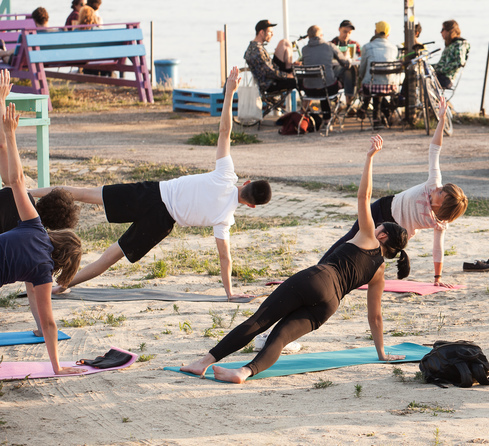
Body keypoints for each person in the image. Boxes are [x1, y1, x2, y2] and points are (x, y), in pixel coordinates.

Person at [181, 134, 410, 383]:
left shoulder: (368, 236)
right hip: (329, 305)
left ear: (383, 234)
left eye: (379, 227)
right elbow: (374, 317)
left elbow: (363, 197)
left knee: (260, 321)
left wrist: (369, 158)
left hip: (318, 278)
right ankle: (244, 372)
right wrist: (381, 353)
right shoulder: (379, 272)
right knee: (280, 338)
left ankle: (203, 363)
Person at [33, 67, 272, 301]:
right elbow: (224, 257)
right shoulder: (225, 219)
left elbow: (224, 132)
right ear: (251, 206)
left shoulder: (227, 174)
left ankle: (28, 194)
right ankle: (62, 285)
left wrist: (229, 92)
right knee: (110, 256)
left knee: (83, 193)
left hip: (152, 193)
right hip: (161, 223)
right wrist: (230, 292)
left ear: (247, 182)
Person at [321, 97, 466, 287]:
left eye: (441, 194)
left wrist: (437, 278)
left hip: (394, 232)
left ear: (443, 206)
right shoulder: (433, 183)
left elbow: (438, 248)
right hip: (383, 209)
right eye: (441, 188)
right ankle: (321, 268)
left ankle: (345, 275)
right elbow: (434, 150)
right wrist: (441, 120)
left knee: (369, 253)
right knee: (352, 238)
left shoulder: (439, 223)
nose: (438, 189)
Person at [0, 71, 84, 375]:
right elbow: (48, 323)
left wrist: (10, 130)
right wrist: (57, 366)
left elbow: (16, 181)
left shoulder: (35, 226)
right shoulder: (43, 273)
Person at [299, 25, 349, 121]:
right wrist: (346, 57)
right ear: (321, 35)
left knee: (322, 81)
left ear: (309, 36)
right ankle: (331, 116)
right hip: (328, 89)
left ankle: (325, 119)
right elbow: (345, 64)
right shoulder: (329, 46)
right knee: (329, 81)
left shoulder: (304, 49)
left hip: (309, 90)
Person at [357, 21, 401, 128]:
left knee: (371, 83)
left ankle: (369, 111)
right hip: (390, 87)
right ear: (388, 35)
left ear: (375, 32)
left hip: (371, 87)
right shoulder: (394, 48)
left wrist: (361, 79)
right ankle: (377, 118)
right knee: (379, 84)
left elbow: (362, 69)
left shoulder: (367, 47)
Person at [243, 20, 297, 96]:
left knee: (284, 43)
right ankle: (306, 106)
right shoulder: (257, 50)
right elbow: (269, 72)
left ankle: (290, 70)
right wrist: (288, 76)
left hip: (272, 78)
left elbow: (268, 68)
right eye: (270, 32)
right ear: (262, 32)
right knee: (303, 81)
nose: (272, 34)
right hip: (270, 84)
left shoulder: (255, 47)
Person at [329, 20, 361, 105]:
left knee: (349, 69)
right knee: (349, 68)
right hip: (335, 72)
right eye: (345, 32)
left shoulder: (354, 44)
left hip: (348, 74)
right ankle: (349, 102)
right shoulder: (333, 44)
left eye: (349, 32)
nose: (346, 35)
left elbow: (360, 57)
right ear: (339, 29)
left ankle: (348, 103)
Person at [433, 20, 470, 90]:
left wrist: (440, 70)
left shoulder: (459, 44)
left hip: (446, 78)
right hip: (440, 75)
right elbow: (442, 64)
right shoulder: (450, 45)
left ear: (449, 31)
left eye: (442, 29)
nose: (441, 32)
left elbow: (460, 62)